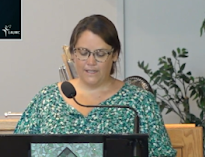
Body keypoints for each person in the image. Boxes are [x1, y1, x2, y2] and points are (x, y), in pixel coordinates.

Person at [14, 14, 176, 157]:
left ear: (114, 55)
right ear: (73, 53)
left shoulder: (140, 102)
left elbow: (162, 154)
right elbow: (16, 150)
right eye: (83, 52)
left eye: (100, 54)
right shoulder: (47, 98)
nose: (90, 62)